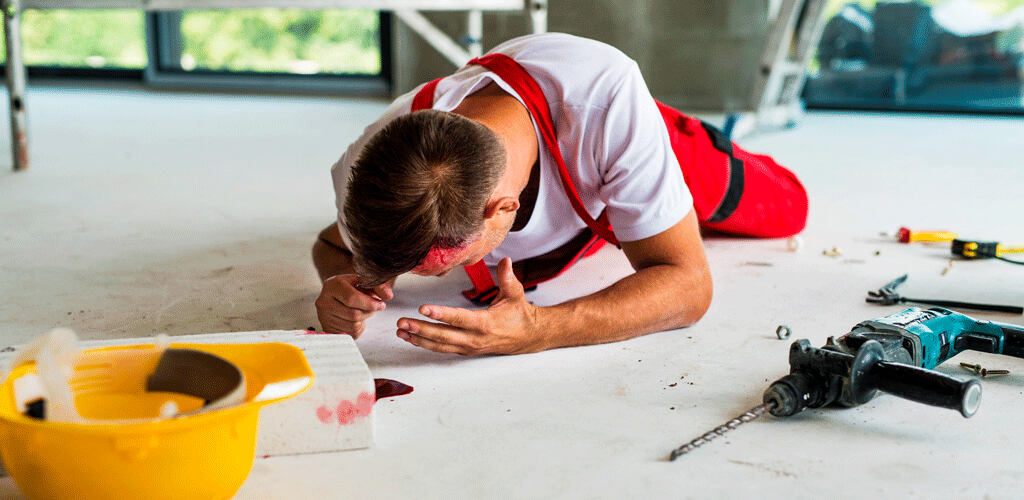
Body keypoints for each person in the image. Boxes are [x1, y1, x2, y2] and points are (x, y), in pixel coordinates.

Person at [313, 33, 807, 355]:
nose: (429, 277)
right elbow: (332, 244)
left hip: (614, 144)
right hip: (579, 170)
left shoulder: (605, 102)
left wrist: (537, 330)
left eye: (440, 267)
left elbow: (688, 287)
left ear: (504, 208)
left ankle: (667, 157)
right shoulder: (363, 168)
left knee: (787, 209)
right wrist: (338, 286)